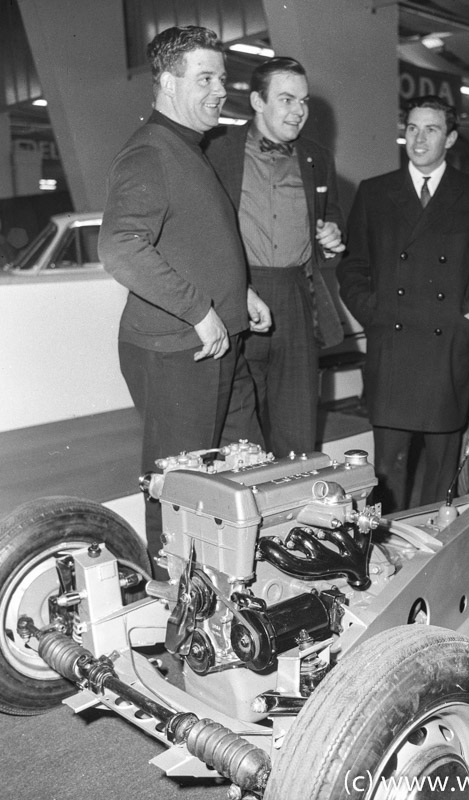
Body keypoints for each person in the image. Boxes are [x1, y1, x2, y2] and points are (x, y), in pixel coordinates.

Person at [98, 26, 271, 575]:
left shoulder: (189, 148)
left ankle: (235, 595)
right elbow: (120, 246)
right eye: (206, 78)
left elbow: (193, 239)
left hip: (221, 343)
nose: (221, 89)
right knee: (179, 492)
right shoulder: (151, 152)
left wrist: (238, 294)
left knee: (243, 473)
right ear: (168, 84)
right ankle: (175, 616)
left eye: (222, 77)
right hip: (179, 352)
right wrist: (199, 309)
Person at [338, 95, 469, 513]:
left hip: (445, 349)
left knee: (441, 473)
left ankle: (440, 555)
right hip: (391, 348)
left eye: (431, 129)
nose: (419, 138)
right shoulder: (376, 192)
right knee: (387, 473)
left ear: (450, 138)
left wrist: (467, 320)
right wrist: (375, 315)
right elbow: (352, 268)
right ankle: (385, 559)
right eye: (412, 128)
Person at [204, 57, 345, 457]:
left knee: (298, 422)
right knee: (240, 425)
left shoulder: (318, 158)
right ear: (256, 101)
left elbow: (329, 213)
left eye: (303, 101)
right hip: (238, 292)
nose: (298, 111)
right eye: (286, 99)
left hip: (298, 295)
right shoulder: (217, 150)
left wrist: (333, 232)